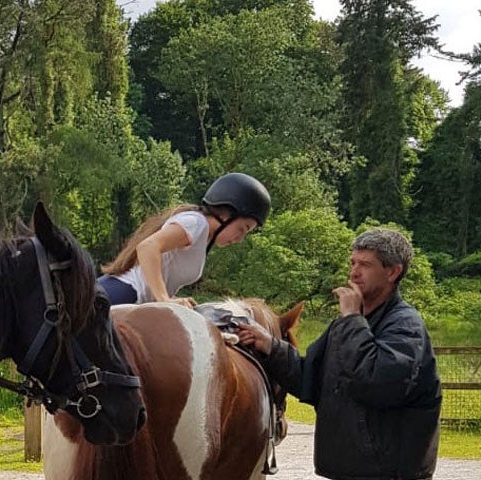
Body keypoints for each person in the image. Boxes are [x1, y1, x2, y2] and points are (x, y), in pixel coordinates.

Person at [237, 228, 441, 480]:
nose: (354, 272)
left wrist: (353, 318)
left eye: (365, 264)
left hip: (387, 474)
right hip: (353, 472)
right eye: (353, 262)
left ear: (393, 272)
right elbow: (311, 379)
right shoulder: (345, 324)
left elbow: (376, 383)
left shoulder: (404, 325)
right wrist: (270, 346)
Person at [96, 172, 270, 306]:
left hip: (135, 300)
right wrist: (164, 299)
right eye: (243, 228)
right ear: (228, 214)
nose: (240, 238)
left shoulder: (203, 237)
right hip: (124, 293)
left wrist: (171, 299)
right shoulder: (196, 223)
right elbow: (147, 247)